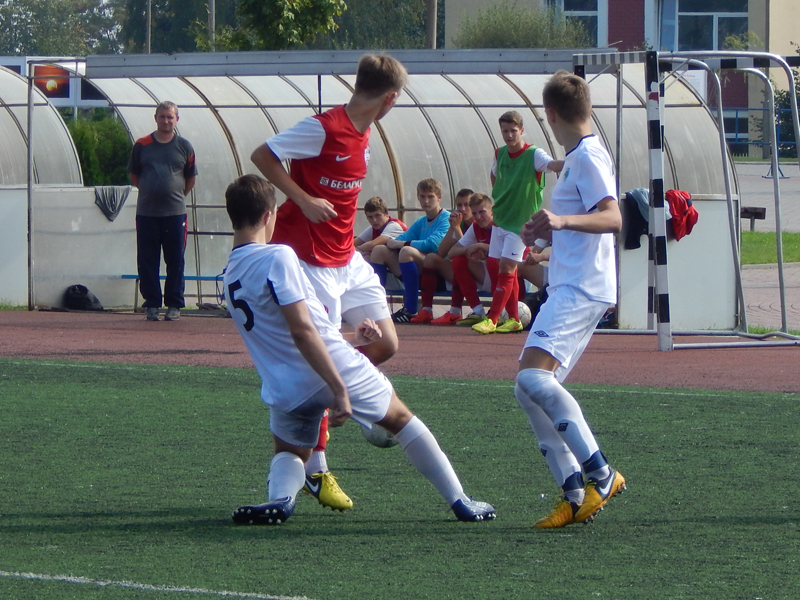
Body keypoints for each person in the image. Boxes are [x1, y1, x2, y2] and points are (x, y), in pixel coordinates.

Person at [222, 174, 496, 526]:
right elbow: (303, 330)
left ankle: (281, 499)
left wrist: (353, 339)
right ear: (268, 215)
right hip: (329, 366)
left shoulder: (229, 273)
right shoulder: (279, 255)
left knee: (290, 450)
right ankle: (461, 500)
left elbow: (281, 334)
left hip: (282, 384)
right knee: (401, 419)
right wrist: (338, 389)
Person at [250, 54, 407, 512]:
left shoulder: (366, 132)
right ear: (390, 98)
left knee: (386, 343)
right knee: (321, 362)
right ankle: (316, 468)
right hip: (309, 259)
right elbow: (262, 155)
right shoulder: (323, 127)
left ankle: (341, 393)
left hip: (346, 259)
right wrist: (302, 198)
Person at [514, 70, 626, 529]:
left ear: (551, 114)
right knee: (528, 386)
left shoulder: (588, 156)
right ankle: (575, 493)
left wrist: (559, 222)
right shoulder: (580, 157)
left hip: (581, 287)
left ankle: (601, 473)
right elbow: (578, 220)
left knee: (533, 379)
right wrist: (544, 236)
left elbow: (613, 217)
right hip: (572, 282)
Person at [472, 111, 562, 335]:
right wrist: (502, 194)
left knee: (506, 267)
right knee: (498, 267)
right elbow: (494, 176)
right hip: (501, 220)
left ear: (521, 130)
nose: (509, 135)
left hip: (521, 225)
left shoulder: (534, 154)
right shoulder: (500, 153)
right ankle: (513, 318)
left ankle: (492, 319)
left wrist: (574, 161)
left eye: (513, 131)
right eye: (505, 131)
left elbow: (552, 165)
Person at [128, 100, 197, 322]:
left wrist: (175, 194)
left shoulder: (184, 146)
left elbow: (190, 178)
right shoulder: (142, 145)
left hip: (175, 214)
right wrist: (151, 191)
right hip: (147, 213)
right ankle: (152, 304)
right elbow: (134, 175)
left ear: (177, 119)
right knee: (147, 260)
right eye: (162, 116)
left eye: (170, 117)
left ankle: (174, 304)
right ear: (155, 118)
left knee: (175, 260)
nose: (166, 121)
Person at [368, 178, 450, 323]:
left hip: (440, 273)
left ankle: (410, 309)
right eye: (422, 196)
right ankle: (377, 308)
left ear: (439, 197)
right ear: (418, 197)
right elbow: (399, 239)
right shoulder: (421, 221)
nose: (426, 201)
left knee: (407, 251)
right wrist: (398, 243)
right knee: (379, 250)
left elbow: (432, 245)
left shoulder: (446, 218)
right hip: (419, 270)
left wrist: (403, 243)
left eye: (430, 196)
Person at [411, 192, 495, 325]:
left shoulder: (487, 223)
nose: (462, 209)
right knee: (433, 258)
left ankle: (456, 311)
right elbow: (443, 252)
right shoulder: (460, 223)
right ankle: (426, 310)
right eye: (459, 205)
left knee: (460, 260)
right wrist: (453, 228)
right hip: (473, 273)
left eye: (466, 205)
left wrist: (475, 246)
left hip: (491, 271)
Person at [353, 196, 408, 261]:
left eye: (377, 215)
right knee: (366, 256)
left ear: (386, 213)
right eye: (370, 217)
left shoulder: (394, 226)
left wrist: (357, 249)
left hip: (403, 261)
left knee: (378, 250)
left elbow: (372, 245)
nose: (374, 220)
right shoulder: (374, 228)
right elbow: (353, 243)